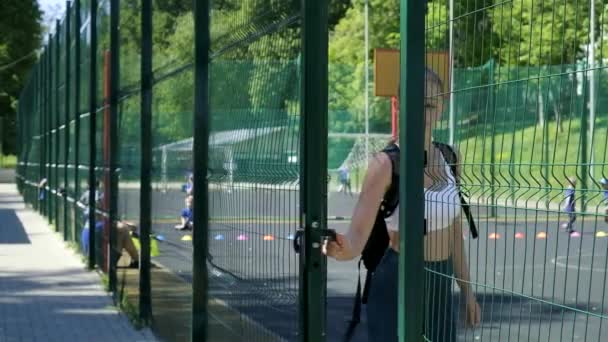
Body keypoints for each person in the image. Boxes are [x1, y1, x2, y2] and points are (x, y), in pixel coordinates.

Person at [323, 68, 480, 341]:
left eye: (430, 105)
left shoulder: (451, 157)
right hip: (398, 279)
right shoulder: (384, 164)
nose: (423, 114)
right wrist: (340, 249)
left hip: (440, 284)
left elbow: (455, 233)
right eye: (415, 104)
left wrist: (467, 292)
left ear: (442, 107)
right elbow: (357, 237)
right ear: (398, 105)